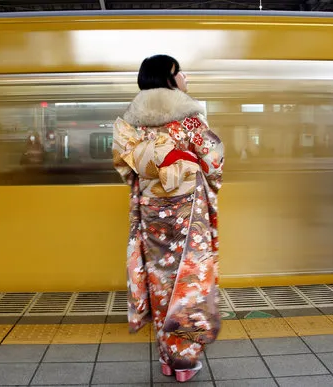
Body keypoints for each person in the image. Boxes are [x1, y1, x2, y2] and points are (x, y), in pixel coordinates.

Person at [112, 55, 224, 383]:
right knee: (189, 283)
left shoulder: (132, 123)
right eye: (180, 73)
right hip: (189, 215)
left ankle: (166, 356)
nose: (185, 77)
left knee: (161, 283)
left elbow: (126, 168)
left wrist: (154, 174)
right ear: (169, 78)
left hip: (151, 216)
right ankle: (184, 361)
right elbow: (214, 159)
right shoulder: (189, 119)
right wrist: (186, 161)